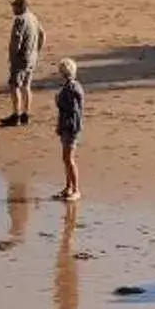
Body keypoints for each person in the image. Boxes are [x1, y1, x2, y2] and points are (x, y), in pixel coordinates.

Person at [5, 0, 43, 126]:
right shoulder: (33, 17)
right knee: (26, 86)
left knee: (14, 85)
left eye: (14, 6)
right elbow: (42, 35)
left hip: (21, 58)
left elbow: (17, 40)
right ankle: (26, 114)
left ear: (20, 7)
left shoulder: (20, 20)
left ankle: (16, 115)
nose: (12, 9)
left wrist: (13, 57)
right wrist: (37, 51)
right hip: (32, 57)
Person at [54, 56, 85, 202]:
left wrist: (58, 102)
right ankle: (68, 187)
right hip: (68, 126)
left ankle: (76, 189)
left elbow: (72, 110)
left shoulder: (71, 88)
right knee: (66, 159)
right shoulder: (73, 86)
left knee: (69, 159)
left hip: (71, 128)